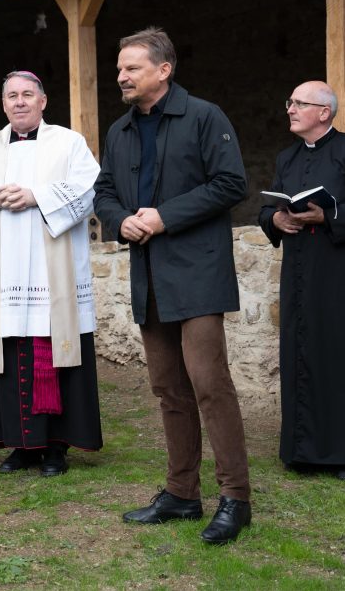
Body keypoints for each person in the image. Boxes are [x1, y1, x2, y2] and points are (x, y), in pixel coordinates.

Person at [94, 27, 252, 544]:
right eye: (120, 68)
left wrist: (163, 217)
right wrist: (122, 221)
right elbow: (105, 191)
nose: (121, 75)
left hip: (198, 272)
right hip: (149, 275)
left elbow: (230, 184)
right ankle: (182, 493)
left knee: (210, 384)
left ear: (164, 70)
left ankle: (236, 499)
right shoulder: (119, 131)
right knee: (167, 389)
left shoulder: (204, 117)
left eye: (131, 67)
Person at [0, 70, 103, 477]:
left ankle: (55, 447)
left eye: (27, 95)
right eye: (11, 96)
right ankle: (19, 446)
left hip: (51, 272)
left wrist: (37, 196)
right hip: (2, 275)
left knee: (55, 355)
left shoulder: (69, 143)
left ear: (43, 101)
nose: (19, 102)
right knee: (7, 355)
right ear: (3, 105)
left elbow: (90, 188)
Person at [258, 81, 345, 480]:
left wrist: (328, 216)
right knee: (303, 351)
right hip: (300, 273)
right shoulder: (287, 158)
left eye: (299, 103)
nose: (291, 109)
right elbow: (270, 207)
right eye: (290, 102)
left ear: (324, 112)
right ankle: (305, 451)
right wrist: (277, 219)